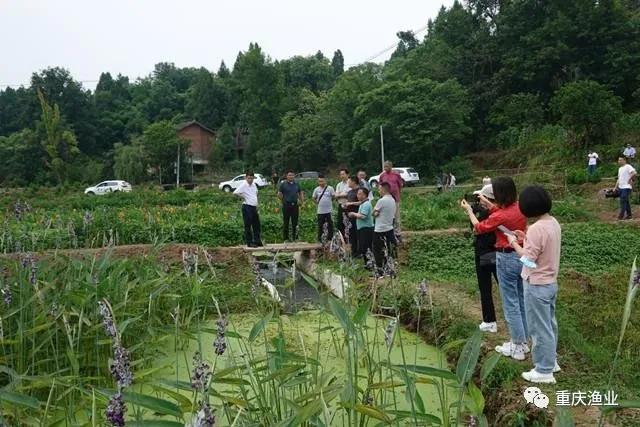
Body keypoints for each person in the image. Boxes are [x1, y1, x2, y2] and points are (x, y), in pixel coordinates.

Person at [461, 176, 528, 360]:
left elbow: (479, 227)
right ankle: (523, 341)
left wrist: (469, 210)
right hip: (520, 255)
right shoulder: (519, 207)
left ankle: (517, 346)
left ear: (500, 194)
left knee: (510, 302)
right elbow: (501, 213)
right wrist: (487, 203)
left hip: (506, 257)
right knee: (521, 299)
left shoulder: (499, 215)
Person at [507, 185, 562, 384]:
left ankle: (544, 370)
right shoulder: (552, 223)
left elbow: (529, 261)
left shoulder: (536, 228)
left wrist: (514, 243)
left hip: (537, 284)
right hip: (550, 283)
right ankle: (551, 360)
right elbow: (542, 248)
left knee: (539, 328)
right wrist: (525, 238)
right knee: (549, 324)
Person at [470, 184, 499, 333]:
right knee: (507, 290)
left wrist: (470, 212)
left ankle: (489, 320)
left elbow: (476, 229)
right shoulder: (501, 212)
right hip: (500, 254)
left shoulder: (486, 214)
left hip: (484, 254)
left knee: (485, 287)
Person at [233, 170, 263, 247]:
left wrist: (257, 205)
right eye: (249, 178)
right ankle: (249, 242)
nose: (250, 180)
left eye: (252, 178)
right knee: (248, 225)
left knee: (256, 224)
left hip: (254, 206)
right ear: (246, 177)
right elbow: (235, 193)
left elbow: (255, 194)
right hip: (247, 207)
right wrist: (243, 197)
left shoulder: (254, 185)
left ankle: (257, 240)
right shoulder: (243, 185)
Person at [373, 182, 397, 276]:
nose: (379, 191)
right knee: (390, 250)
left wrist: (376, 213)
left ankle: (380, 271)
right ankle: (391, 270)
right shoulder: (392, 200)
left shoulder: (381, 201)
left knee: (378, 251)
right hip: (389, 228)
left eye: (379, 189)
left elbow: (373, 213)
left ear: (383, 189)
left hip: (380, 230)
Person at [278, 170, 304, 241]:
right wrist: (283, 200)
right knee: (286, 222)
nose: (291, 176)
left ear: (294, 176)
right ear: (287, 176)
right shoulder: (283, 184)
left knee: (295, 222)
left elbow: (300, 192)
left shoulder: (297, 184)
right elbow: (279, 194)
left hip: (295, 205)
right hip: (286, 205)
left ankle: (295, 238)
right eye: (289, 175)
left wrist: (302, 201)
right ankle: (285, 238)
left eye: (292, 175)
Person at [348, 187, 373, 261]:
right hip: (362, 228)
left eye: (359, 194)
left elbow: (363, 216)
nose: (357, 195)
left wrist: (353, 214)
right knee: (363, 247)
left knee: (366, 247)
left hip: (366, 229)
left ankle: (369, 263)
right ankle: (367, 263)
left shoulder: (366, 204)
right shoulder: (363, 203)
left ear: (364, 195)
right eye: (357, 194)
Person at [378, 161, 404, 233]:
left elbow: (400, 185)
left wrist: (398, 194)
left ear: (391, 166)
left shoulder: (396, 175)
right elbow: (380, 186)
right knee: (386, 215)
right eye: (384, 167)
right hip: (385, 198)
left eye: (387, 166)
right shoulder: (382, 175)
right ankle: (389, 231)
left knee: (396, 216)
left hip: (395, 198)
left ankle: (397, 232)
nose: (385, 168)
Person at [312, 174, 335, 243]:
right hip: (320, 211)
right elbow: (313, 198)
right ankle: (320, 239)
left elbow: (333, 197)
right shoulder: (316, 189)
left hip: (329, 210)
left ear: (325, 180)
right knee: (320, 225)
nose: (321, 183)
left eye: (322, 181)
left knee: (330, 225)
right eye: (319, 181)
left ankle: (330, 239)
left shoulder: (330, 188)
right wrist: (317, 203)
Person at [343, 176, 363, 255]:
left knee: (358, 234)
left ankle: (360, 251)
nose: (348, 183)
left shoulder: (360, 191)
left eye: (349, 181)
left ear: (354, 182)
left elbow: (362, 201)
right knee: (352, 234)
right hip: (350, 216)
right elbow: (348, 202)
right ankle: (353, 251)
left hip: (358, 215)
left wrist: (351, 203)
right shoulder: (349, 192)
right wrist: (345, 205)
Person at [335, 169, 350, 237]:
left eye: (343, 174)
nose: (342, 176)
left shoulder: (350, 183)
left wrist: (340, 194)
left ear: (347, 175)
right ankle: (342, 238)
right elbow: (336, 195)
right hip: (340, 205)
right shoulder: (339, 184)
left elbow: (349, 194)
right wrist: (343, 194)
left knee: (348, 222)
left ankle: (349, 238)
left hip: (348, 205)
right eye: (341, 174)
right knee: (340, 222)